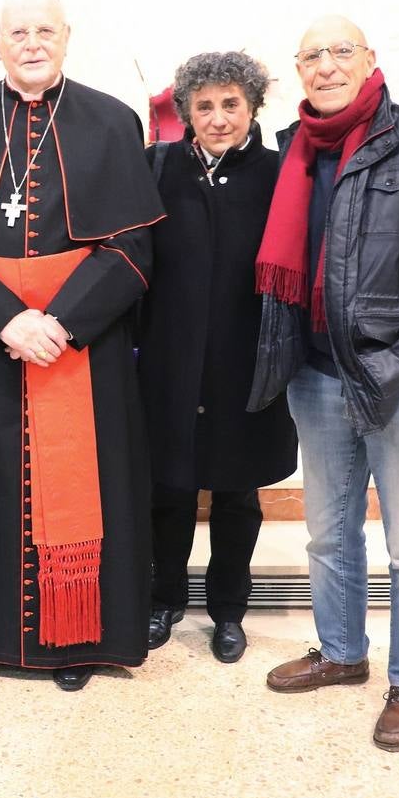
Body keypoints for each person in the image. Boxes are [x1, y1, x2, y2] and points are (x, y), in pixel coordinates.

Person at [0, 0, 164, 692]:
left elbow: (133, 246)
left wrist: (62, 323)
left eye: (44, 30)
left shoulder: (111, 122)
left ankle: (72, 642)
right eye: (18, 33)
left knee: (84, 490)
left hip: (81, 346)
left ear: (67, 36)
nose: (32, 43)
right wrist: (6, 320)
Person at [248, 16, 399, 750]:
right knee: (329, 534)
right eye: (312, 56)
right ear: (298, 70)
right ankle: (341, 653)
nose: (326, 66)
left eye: (340, 52)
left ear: (370, 61)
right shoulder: (294, 147)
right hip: (318, 372)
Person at [138, 53, 297, 663]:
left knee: (237, 494)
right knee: (169, 489)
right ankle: (165, 598)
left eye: (231, 104)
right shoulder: (157, 169)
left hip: (248, 360)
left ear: (253, 107)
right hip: (169, 360)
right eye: (204, 106)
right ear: (185, 114)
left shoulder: (279, 174)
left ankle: (229, 610)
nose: (218, 117)